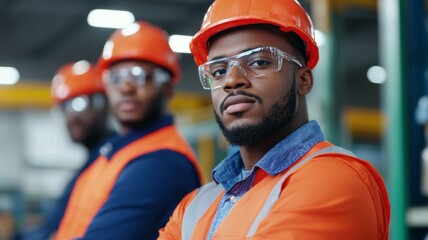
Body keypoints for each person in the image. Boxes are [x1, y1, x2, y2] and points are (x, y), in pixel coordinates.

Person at [158, 0, 390, 239]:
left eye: (259, 62)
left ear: (303, 80)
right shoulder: (194, 205)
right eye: (219, 71)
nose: (231, 80)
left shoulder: (335, 179)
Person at [54, 21, 202, 240]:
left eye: (139, 75)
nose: (126, 88)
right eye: (116, 78)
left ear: (168, 87)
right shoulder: (114, 154)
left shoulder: (162, 162)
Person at [18, 61, 111, 240]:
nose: (71, 116)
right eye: (64, 107)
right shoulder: (91, 164)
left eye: (79, 104)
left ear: (104, 104)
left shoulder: (113, 161)